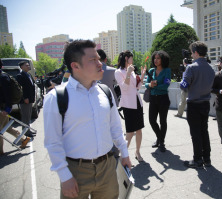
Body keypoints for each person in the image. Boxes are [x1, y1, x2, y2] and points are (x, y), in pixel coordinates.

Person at [43, 40, 131, 199]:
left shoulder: (105, 92)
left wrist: (124, 153)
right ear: (75, 66)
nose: (100, 64)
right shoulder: (56, 97)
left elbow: (115, 128)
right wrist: (65, 176)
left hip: (107, 168)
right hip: (75, 172)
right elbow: (52, 142)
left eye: (99, 59)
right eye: (93, 60)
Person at [180, 41, 215, 168]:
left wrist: (184, 75)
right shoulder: (211, 68)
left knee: (195, 133)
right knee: (204, 131)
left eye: (192, 53)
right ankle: (207, 158)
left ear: (195, 52)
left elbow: (184, 86)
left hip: (194, 104)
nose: (192, 55)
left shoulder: (191, 67)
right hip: (205, 103)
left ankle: (197, 160)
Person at [115, 50, 146, 162]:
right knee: (130, 132)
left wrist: (142, 76)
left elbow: (137, 87)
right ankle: (123, 155)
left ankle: (137, 152)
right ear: (126, 59)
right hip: (128, 104)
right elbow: (124, 88)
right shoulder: (119, 72)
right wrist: (128, 73)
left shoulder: (132, 71)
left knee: (139, 130)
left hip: (137, 102)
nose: (133, 60)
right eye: (131, 58)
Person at [0, 59, 30, 155]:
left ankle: (0, 151)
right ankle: (24, 139)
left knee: (1, 129)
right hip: (3, 107)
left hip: (3, 108)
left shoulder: (3, 77)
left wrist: (7, 108)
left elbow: (7, 94)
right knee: (6, 127)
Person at [145, 51, 171, 153]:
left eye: (158, 58)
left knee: (162, 121)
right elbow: (146, 84)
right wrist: (150, 85)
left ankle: (161, 142)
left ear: (163, 60)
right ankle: (160, 138)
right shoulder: (151, 70)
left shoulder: (167, 70)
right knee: (152, 120)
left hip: (163, 98)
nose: (156, 60)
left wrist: (156, 86)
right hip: (153, 98)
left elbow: (166, 85)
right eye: (154, 58)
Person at [16, 61, 36, 138]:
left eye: (28, 65)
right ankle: (26, 132)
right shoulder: (20, 76)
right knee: (25, 116)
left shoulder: (28, 74)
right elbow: (20, 89)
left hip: (30, 99)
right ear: (22, 67)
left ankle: (28, 130)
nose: (28, 66)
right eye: (26, 65)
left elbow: (31, 86)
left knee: (28, 116)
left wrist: (32, 97)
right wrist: (25, 98)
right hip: (25, 100)